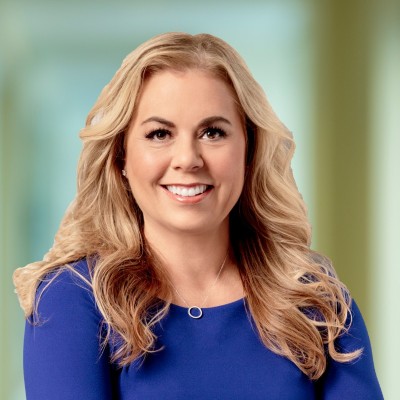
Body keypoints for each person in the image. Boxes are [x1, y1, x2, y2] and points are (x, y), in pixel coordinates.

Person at [14, 32, 383, 399]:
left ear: (249, 151)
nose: (188, 159)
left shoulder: (318, 303)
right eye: (159, 134)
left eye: (212, 132)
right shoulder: (72, 300)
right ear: (121, 156)